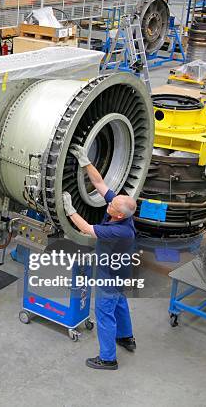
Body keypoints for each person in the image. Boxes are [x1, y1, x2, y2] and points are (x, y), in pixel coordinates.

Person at [62, 144, 138, 371]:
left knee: (105, 314)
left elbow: (86, 228)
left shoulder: (118, 231)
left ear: (117, 214)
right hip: (122, 272)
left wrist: (68, 209)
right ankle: (126, 337)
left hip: (109, 276)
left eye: (112, 204)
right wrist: (86, 162)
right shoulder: (122, 212)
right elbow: (99, 184)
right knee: (120, 303)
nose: (109, 202)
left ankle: (108, 359)